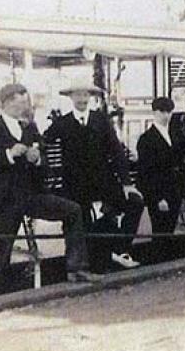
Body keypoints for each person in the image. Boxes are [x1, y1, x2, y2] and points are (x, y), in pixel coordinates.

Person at [0, 83, 99, 288]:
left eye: (25, 102)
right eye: (20, 102)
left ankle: (77, 268)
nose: (24, 107)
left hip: (31, 196)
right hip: (5, 199)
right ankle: (0, 286)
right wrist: (8, 155)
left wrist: (38, 160)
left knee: (73, 211)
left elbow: (44, 163)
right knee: (3, 246)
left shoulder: (30, 128)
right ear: (7, 102)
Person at [44, 79, 144, 272]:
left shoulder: (101, 120)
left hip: (104, 183)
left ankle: (121, 249)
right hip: (76, 187)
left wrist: (126, 183)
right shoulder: (62, 123)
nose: (82, 99)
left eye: (85, 95)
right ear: (71, 98)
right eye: (78, 95)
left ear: (90, 97)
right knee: (86, 220)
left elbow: (116, 150)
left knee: (135, 202)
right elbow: (43, 141)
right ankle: (93, 264)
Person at [136, 96, 185, 262]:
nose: (166, 116)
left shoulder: (175, 135)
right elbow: (147, 172)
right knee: (160, 229)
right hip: (158, 192)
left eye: (169, 112)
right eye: (162, 112)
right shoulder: (146, 139)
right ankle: (158, 262)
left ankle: (167, 260)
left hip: (174, 189)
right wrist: (157, 197)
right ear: (154, 113)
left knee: (170, 228)